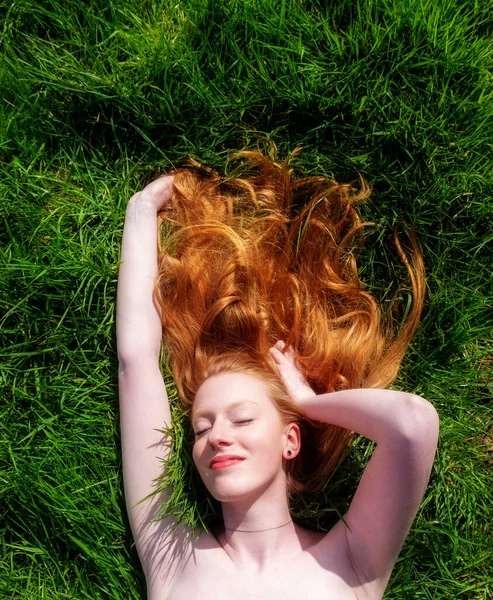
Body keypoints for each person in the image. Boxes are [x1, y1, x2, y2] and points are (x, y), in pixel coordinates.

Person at [116, 147, 439, 600]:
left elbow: (411, 423)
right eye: (201, 428)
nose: (216, 436)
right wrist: (142, 209)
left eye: (242, 418)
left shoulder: (352, 562)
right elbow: (136, 363)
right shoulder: (170, 557)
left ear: (291, 439)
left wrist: (308, 402)